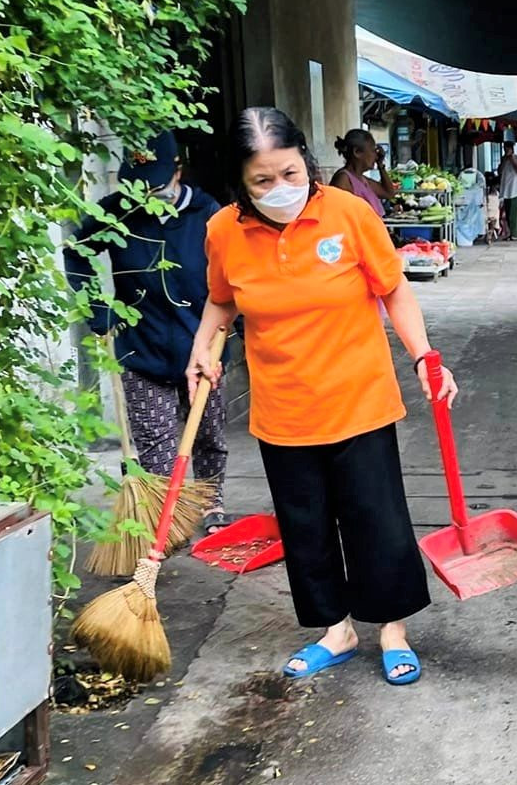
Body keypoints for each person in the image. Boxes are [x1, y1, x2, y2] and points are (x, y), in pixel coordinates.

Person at [187, 107, 458, 686]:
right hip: (283, 406)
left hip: (360, 398)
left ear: (306, 162)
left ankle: (391, 629)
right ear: (240, 182)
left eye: (289, 173)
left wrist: (423, 356)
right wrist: (202, 347)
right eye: (262, 181)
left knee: (375, 518)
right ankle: (336, 630)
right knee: (305, 524)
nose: (279, 189)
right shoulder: (223, 231)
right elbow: (220, 300)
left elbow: (394, 291)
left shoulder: (349, 214)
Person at [64, 130, 230, 535]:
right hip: (141, 348)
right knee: (156, 444)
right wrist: (97, 308)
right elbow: (77, 251)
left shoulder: (208, 214)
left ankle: (210, 505)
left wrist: (233, 323)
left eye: (155, 185)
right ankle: (163, 515)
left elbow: (236, 270)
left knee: (208, 434)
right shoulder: (117, 212)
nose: (146, 194)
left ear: (177, 172)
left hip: (203, 345)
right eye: (138, 186)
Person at [330, 129, 394, 217]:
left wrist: (380, 165)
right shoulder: (343, 179)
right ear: (357, 152)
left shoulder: (362, 179)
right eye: (372, 151)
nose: (376, 156)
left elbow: (388, 193)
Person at [499, 142, 517, 241]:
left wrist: (511, 159)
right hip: (505, 190)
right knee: (508, 215)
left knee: (513, 215)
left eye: (507, 149)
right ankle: (511, 233)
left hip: (514, 190)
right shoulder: (503, 159)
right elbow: (500, 171)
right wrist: (504, 160)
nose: (505, 151)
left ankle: (515, 235)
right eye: (504, 149)